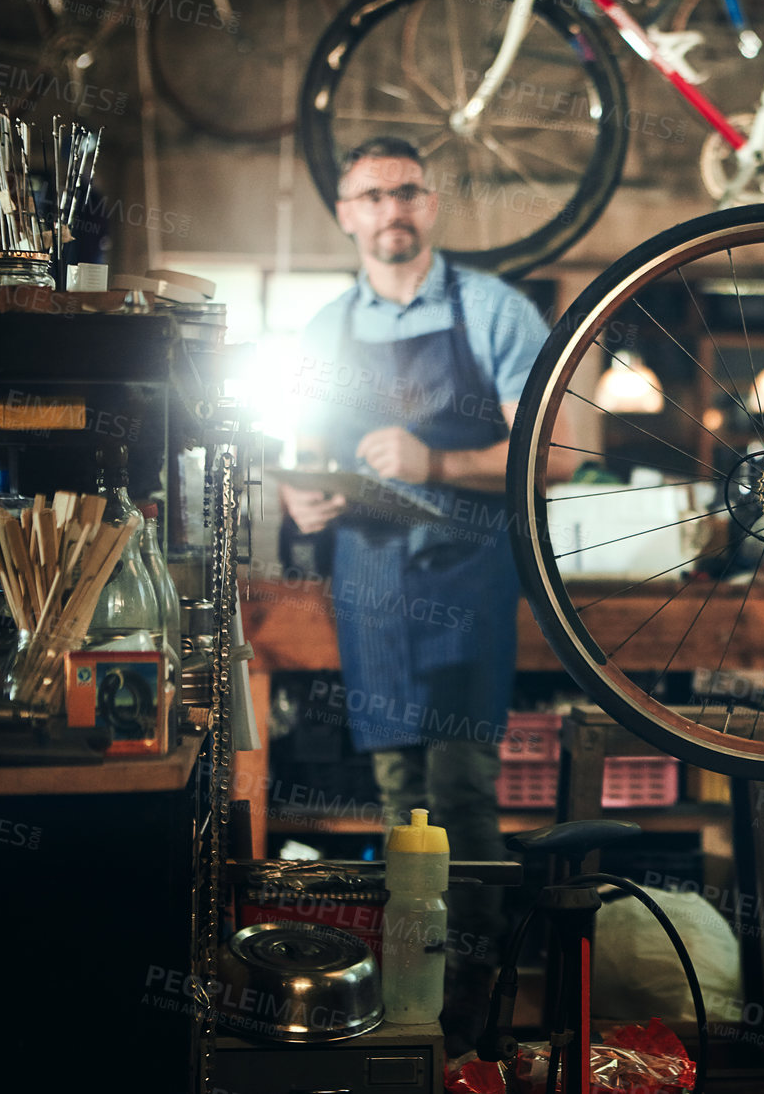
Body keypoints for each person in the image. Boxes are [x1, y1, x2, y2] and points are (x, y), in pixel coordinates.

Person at [279, 135, 563, 1048]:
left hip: (470, 566)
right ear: (345, 213)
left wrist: (433, 458)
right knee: (396, 780)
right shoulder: (323, 331)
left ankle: (475, 996)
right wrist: (302, 491)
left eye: (405, 191)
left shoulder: (493, 310)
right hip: (370, 573)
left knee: (463, 781)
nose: (389, 210)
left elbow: (545, 454)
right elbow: (299, 452)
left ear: (430, 203)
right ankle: (412, 991)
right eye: (370, 195)